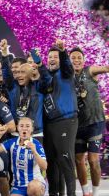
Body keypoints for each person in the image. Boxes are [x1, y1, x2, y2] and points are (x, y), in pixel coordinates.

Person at [70, 47, 109, 196]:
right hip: (77, 124)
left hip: (95, 123)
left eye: (79, 57)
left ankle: (96, 192)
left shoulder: (90, 71)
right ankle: (86, 192)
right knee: (79, 160)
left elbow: (105, 68)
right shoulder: (67, 77)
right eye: (73, 57)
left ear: (84, 60)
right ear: (69, 60)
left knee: (93, 160)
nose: (77, 60)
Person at [44, 39, 78, 196]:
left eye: (55, 57)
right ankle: (54, 193)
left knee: (65, 160)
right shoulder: (46, 76)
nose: (51, 59)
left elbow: (67, 65)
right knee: (52, 162)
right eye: (49, 56)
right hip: (49, 124)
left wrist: (63, 52)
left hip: (66, 121)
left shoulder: (65, 73)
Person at [0, 117, 47, 196]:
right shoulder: (12, 142)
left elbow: (44, 167)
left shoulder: (36, 144)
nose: (24, 128)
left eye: (27, 126)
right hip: (18, 186)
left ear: (32, 129)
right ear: (17, 128)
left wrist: (34, 152)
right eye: (21, 126)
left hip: (35, 183)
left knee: (34, 187)